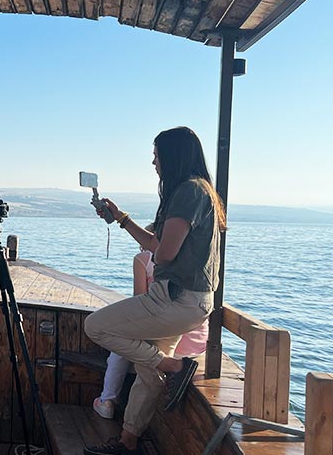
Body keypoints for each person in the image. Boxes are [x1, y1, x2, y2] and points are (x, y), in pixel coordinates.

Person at [83, 126, 226, 455]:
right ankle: (127, 441)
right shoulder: (199, 191)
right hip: (190, 302)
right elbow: (154, 244)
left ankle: (175, 366)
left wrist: (160, 249)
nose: (153, 162)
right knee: (148, 368)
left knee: (96, 326)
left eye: (157, 155)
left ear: (173, 156)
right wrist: (120, 218)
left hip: (173, 299)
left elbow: (163, 253)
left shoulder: (188, 192)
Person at [92, 225, 209, 420]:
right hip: (196, 344)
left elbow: (139, 299)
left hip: (168, 336)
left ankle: (107, 400)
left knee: (117, 347)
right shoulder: (189, 262)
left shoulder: (143, 259)